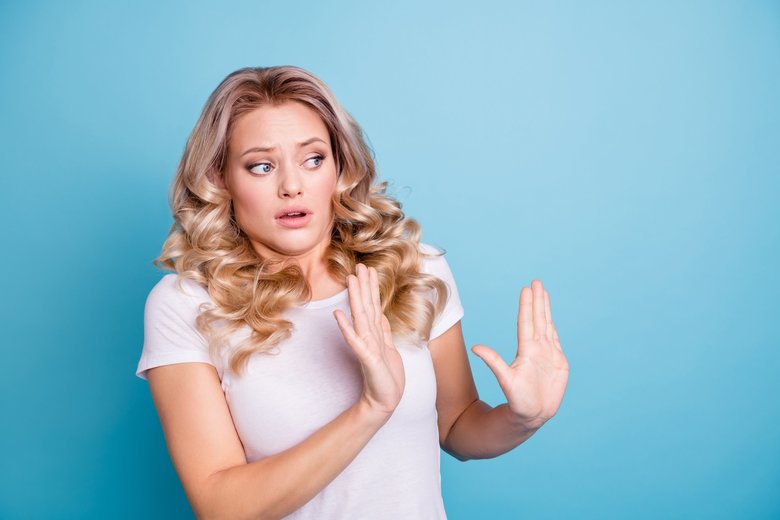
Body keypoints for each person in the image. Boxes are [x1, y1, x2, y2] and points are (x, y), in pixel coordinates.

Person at [135, 65, 569, 519]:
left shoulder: (413, 268)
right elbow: (221, 506)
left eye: (313, 159)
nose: (292, 186)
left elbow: (458, 426)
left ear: (339, 166)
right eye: (261, 166)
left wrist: (522, 419)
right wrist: (371, 408)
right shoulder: (186, 305)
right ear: (221, 179)